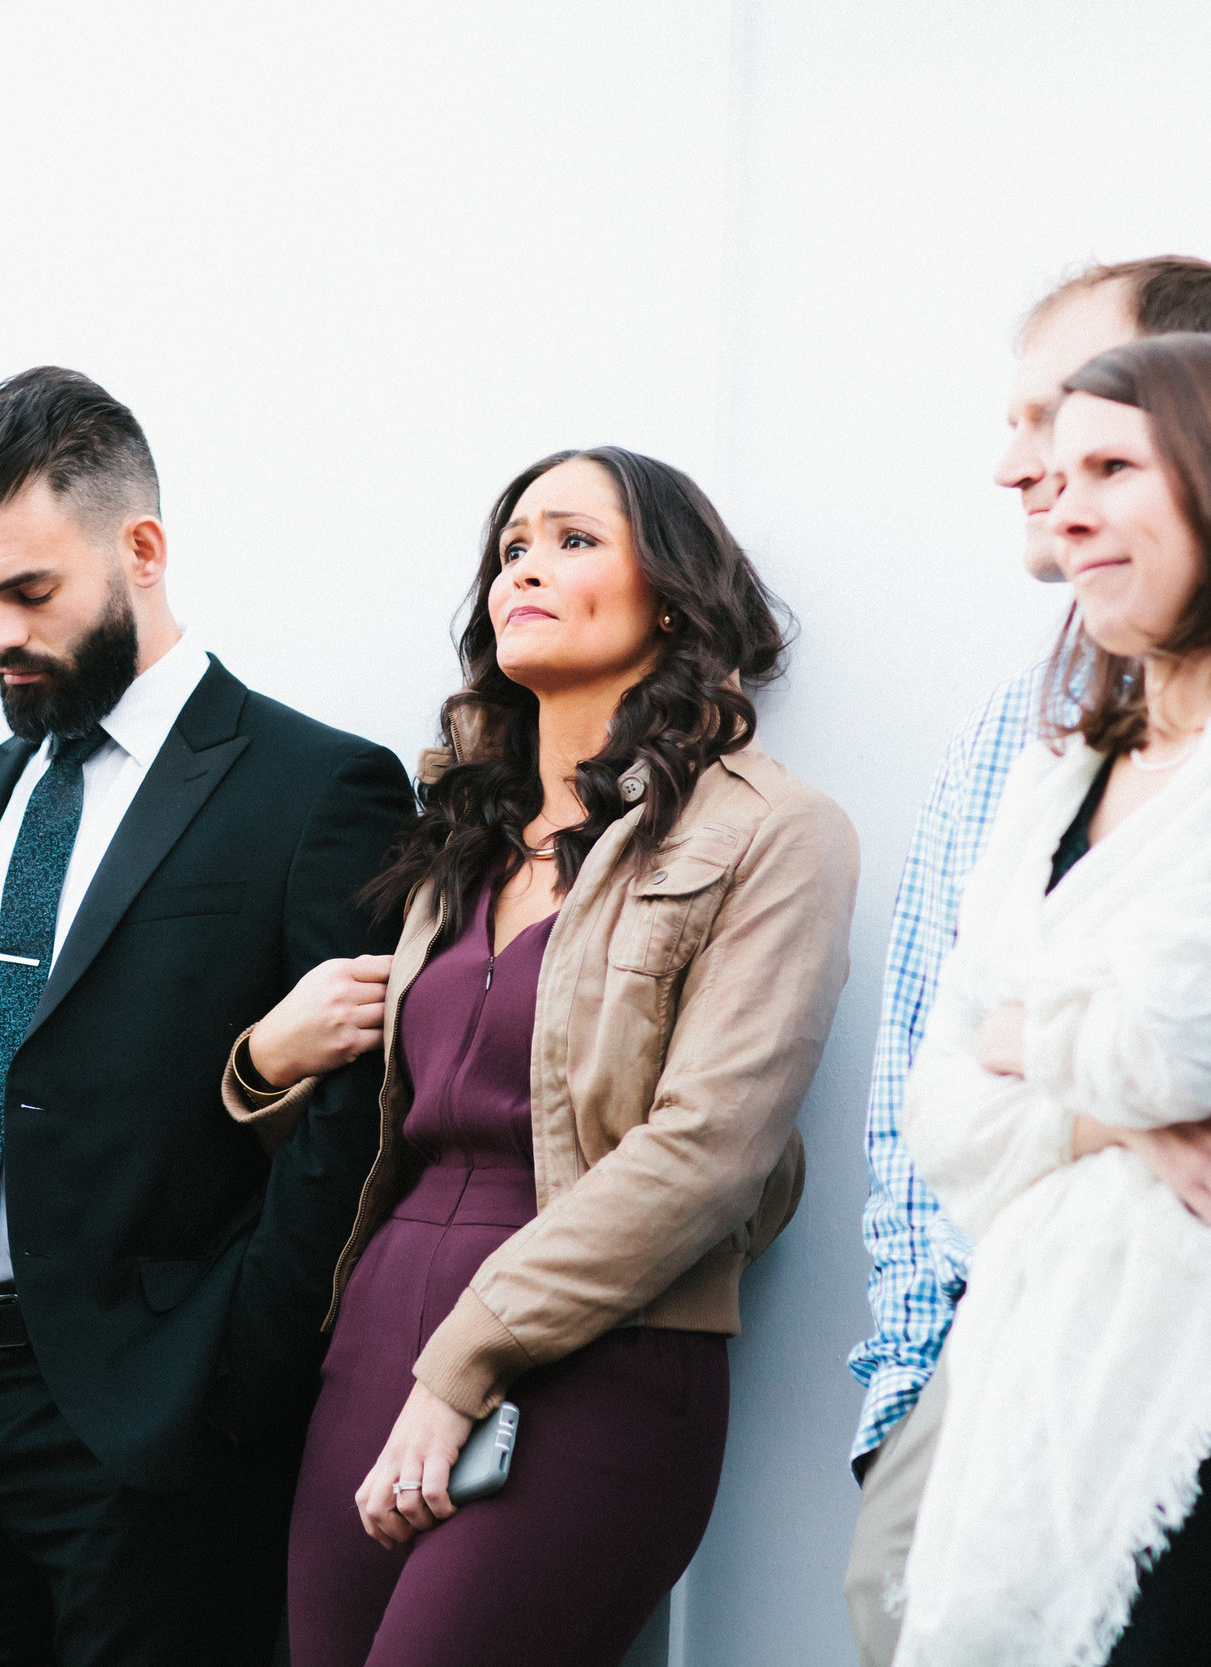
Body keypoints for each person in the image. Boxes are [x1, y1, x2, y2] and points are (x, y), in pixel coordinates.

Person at [0, 366, 412, 1665]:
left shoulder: (316, 786)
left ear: (142, 548)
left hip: (144, 1407)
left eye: (29, 591)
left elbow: (353, 1122)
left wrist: (235, 1364)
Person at [845, 258, 1211, 1667]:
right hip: (991, 1386)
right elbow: (934, 1107)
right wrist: (907, 1394)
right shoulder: (1043, 752)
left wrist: (1045, 1052)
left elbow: (1183, 1047)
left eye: (1099, 440)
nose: (1030, 470)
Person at [232, 447, 857, 1666]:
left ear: (669, 594)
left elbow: (708, 1153)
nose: (526, 565)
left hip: (597, 1349)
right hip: (377, 1333)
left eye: (573, 539)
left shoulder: (773, 829)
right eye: (512, 546)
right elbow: (376, 1128)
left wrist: (462, 1361)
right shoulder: (461, 835)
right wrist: (262, 1061)